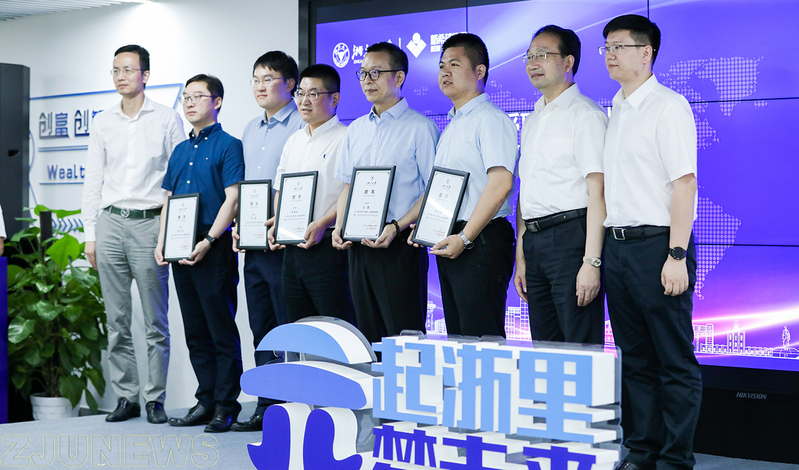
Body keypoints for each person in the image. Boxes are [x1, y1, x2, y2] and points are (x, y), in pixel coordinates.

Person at [600, 14, 701, 470]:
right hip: (618, 247)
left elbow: (685, 184)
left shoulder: (668, 106)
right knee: (635, 358)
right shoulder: (616, 109)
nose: (609, 55)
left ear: (646, 53)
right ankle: (642, 450)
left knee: (673, 359)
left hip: (659, 245)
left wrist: (676, 254)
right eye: (606, 47)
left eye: (618, 47)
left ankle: (675, 459)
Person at [81, 44, 184, 424]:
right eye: (115, 70)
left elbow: (178, 179)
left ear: (145, 75)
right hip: (110, 223)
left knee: (155, 321)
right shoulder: (102, 122)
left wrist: (170, 231)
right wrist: (90, 233)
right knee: (117, 321)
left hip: (150, 224)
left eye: (128, 69)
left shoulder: (167, 119)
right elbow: (93, 180)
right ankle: (126, 396)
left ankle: (155, 398)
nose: (120, 76)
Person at [408, 33, 517, 338]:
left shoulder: (490, 120)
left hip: (480, 240)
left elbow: (501, 184)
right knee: (458, 338)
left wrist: (466, 238)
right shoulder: (453, 124)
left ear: (479, 71)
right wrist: (414, 225)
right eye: (442, 66)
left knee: (481, 337)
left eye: (454, 65)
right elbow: (439, 189)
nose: (445, 72)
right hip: (453, 239)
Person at [331, 42, 439, 345]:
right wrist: (339, 226)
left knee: (404, 338)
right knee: (368, 338)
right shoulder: (355, 129)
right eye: (363, 73)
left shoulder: (421, 128)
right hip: (358, 246)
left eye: (376, 73)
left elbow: (433, 190)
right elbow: (348, 186)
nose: (367, 80)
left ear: (399, 77)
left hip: (399, 246)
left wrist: (396, 226)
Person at [155, 74, 245, 433]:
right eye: (186, 98)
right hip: (179, 244)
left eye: (198, 97)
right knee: (194, 329)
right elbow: (169, 199)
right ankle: (205, 400)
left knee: (220, 328)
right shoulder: (179, 150)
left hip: (214, 245)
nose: (190, 103)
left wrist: (209, 239)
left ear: (217, 102)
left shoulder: (229, 145)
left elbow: (233, 198)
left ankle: (226, 405)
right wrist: (161, 241)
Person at [513, 25, 607, 344]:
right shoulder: (533, 119)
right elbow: (527, 191)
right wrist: (521, 256)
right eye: (529, 56)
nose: (533, 63)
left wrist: (591, 262)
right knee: (544, 346)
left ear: (568, 62)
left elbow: (598, 192)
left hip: (571, 239)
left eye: (543, 55)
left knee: (579, 344)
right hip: (534, 241)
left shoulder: (586, 115)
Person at [231, 51, 305, 433]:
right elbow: (248, 188)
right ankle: (266, 403)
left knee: (287, 327)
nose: (260, 86)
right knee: (260, 325)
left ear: (290, 84)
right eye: (256, 79)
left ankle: (295, 404)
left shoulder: (302, 123)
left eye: (268, 78)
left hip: (286, 244)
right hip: (253, 243)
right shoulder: (249, 129)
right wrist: (238, 226)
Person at [267, 64, 355, 324]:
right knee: (299, 327)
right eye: (300, 93)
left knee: (336, 326)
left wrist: (323, 224)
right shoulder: (293, 140)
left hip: (328, 246)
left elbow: (351, 193)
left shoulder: (347, 138)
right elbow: (280, 188)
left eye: (313, 94)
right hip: (292, 250)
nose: (304, 101)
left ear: (334, 99)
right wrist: (279, 221)